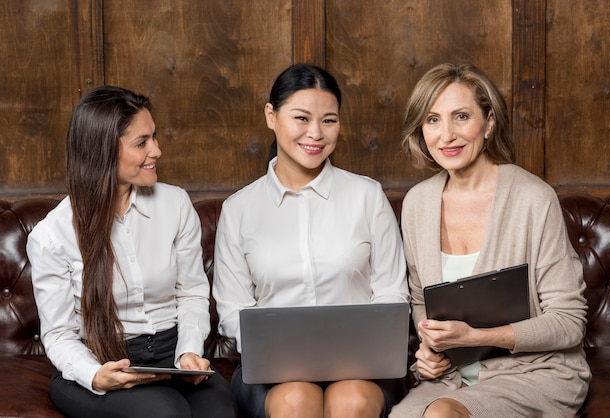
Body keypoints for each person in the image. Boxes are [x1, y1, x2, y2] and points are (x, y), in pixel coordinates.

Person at [389, 63, 591, 417]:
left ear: (489, 122)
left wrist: (477, 338)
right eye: (432, 120)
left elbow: (570, 322)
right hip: (449, 380)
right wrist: (431, 353)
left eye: (461, 116)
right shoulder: (417, 203)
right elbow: (423, 302)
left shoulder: (533, 198)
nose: (446, 135)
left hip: (534, 373)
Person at [212, 63, 410, 418]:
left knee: (350, 402)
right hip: (272, 374)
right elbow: (232, 308)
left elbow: (392, 293)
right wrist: (277, 352)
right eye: (301, 118)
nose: (316, 134)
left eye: (329, 120)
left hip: (363, 367)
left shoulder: (366, 196)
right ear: (271, 116)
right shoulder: (239, 209)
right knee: (297, 401)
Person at [26, 86, 237, 418]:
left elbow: (193, 293)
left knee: (220, 410)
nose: (157, 151)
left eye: (154, 137)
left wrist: (188, 353)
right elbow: (58, 334)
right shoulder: (52, 235)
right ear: (103, 150)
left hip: (174, 358)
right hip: (102, 364)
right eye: (142, 143)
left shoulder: (175, 204)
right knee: (165, 412)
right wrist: (95, 375)